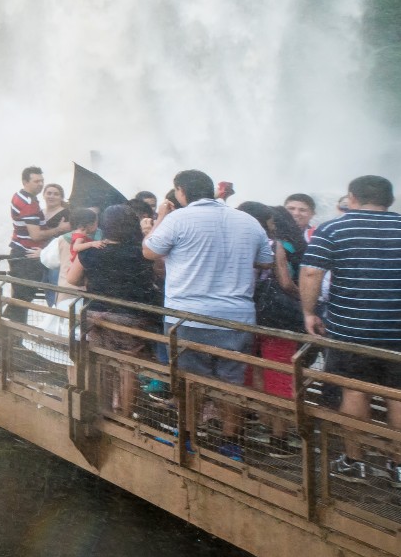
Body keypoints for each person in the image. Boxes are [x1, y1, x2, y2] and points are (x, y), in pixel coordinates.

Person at [300, 174, 401, 482]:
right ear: (391, 200)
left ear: (352, 198)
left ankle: (355, 461)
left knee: (355, 391)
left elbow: (309, 275)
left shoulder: (333, 229)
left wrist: (308, 312)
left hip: (351, 331)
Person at [143, 169, 271, 446]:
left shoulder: (178, 218)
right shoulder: (247, 221)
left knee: (189, 379)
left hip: (188, 317)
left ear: (180, 191)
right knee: (231, 382)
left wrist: (162, 216)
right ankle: (231, 444)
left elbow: (149, 251)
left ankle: (188, 437)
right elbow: (265, 261)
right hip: (237, 318)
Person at [63, 204, 162, 415]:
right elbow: (159, 274)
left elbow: (72, 279)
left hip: (96, 314)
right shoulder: (142, 252)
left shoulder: (93, 251)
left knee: (102, 362)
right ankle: (124, 414)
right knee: (128, 364)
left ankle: (105, 409)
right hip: (131, 317)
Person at [239, 201, 307, 443]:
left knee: (254, 367)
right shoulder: (272, 244)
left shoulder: (234, 242)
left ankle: (261, 419)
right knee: (278, 372)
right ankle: (279, 436)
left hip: (245, 314)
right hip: (274, 317)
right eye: (270, 220)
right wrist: (307, 300)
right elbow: (286, 283)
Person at [8, 166, 50, 325]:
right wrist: (60, 229)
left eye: (42, 181)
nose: (40, 184)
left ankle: (9, 337)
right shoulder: (29, 203)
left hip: (19, 251)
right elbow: (36, 235)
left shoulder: (19, 196)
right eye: (36, 181)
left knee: (20, 297)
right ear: (25, 181)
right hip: (27, 256)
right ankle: (5, 336)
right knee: (22, 298)